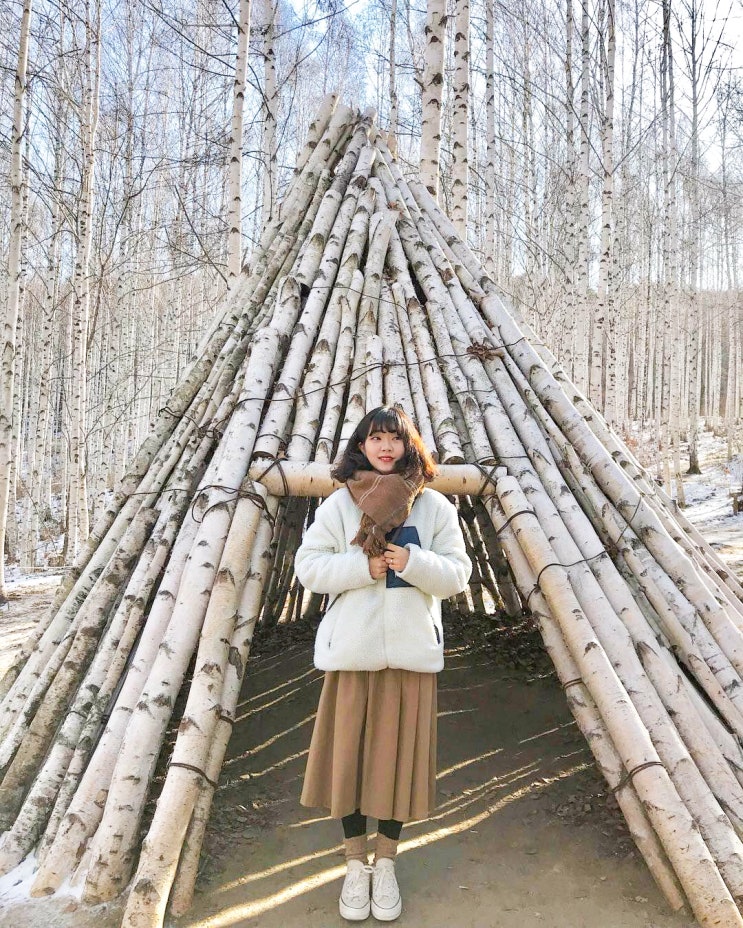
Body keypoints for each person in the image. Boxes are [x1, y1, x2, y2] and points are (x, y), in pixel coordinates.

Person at [294, 405, 472, 921]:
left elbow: (457, 575)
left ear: (409, 445)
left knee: (397, 762)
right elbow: (310, 567)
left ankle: (386, 862)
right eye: (376, 439)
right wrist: (363, 566)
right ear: (361, 446)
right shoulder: (340, 506)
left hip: (411, 654)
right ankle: (355, 864)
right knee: (349, 758)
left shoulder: (434, 507)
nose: (386, 447)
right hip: (354, 653)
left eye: (395, 438)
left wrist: (413, 564)